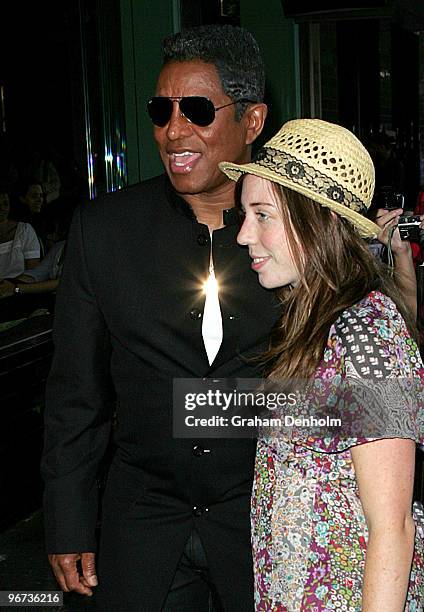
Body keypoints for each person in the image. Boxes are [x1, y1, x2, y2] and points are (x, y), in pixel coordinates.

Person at [41, 24, 276, 612]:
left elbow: (356, 399)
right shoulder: (104, 231)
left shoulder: (301, 236)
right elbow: (76, 391)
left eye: (197, 110)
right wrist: (68, 519)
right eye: (161, 109)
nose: (174, 130)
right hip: (140, 527)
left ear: (251, 122)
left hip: (267, 526)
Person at [219, 118, 424, 610]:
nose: (244, 234)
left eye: (262, 214)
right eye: (244, 213)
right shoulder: (311, 322)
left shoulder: (367, 334)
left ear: (319, 220)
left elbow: (392, 526)